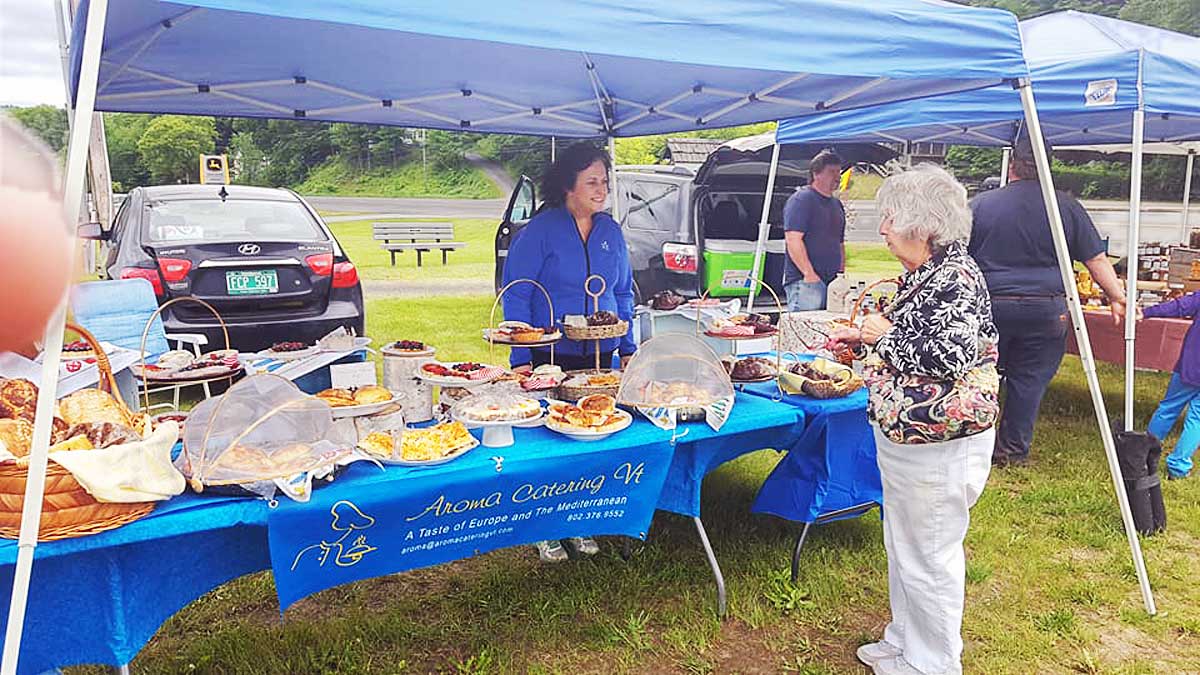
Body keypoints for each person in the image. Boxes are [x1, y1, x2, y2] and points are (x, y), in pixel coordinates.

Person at [830, 165, 999, 675]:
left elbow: (948, 357)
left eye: (889, 217)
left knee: (929, 552)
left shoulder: (955, 277)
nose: (881, 228)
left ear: (923, 224)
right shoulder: (929, 273)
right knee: (905, 543)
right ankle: (904, 640)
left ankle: (933, 663)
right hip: (912, 435)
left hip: (941, 441)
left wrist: (880, 336)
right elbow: (912, 344)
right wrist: (868, 338)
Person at [500, 142, 636, 562]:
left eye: (605, 181)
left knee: (593, 436)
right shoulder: (539, 231)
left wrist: (628, 349)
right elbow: (518, 294)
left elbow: (623, 291)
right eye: (592, 182)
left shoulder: (611, 231)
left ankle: (581, 520)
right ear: (567, 187)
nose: (602, 189)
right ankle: (545, 527)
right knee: (551, 441)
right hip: (550, 355)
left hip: (599, 359)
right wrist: (521, 359)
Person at [969, 129, 1126, 467]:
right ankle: (1011, 452)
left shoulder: (981, 204)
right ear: (1047, 166)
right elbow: (1096, 259)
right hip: (1046, 308)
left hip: (992, 306)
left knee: (982, 375)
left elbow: (956, 256)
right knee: (1029, 382)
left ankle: (973, 445)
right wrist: (1117, 296)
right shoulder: (1065, 206)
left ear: (1011, 164)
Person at [1140, 292, 1200, 479]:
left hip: (1191, 366)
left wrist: (1145, 312)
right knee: (1197, 419)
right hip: (1191, 365)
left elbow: (1179, 306)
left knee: (1168, 408)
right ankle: (1178, 467)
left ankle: (1144, 455)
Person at [782, 149, 845, 311]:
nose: (837, 177)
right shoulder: (802, 200)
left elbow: (839, 242)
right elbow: (793, 239)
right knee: (803, 329)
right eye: (831, 172)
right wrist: (808, 273)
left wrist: (841, 273)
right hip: (805, 282)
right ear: (816, 174)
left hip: (832, 281)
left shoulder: (836, 204)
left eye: (839, 172)